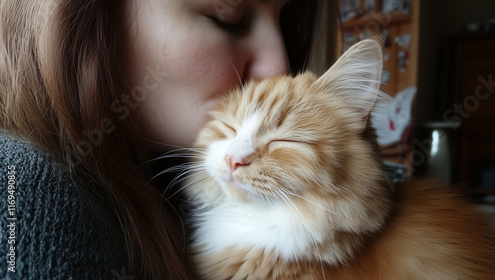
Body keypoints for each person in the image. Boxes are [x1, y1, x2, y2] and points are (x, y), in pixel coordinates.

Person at [0, 0, 331, 279]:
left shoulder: (168, 175)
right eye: (228, 19)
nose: (279, 70)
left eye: (284, 23)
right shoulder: (23, 194)